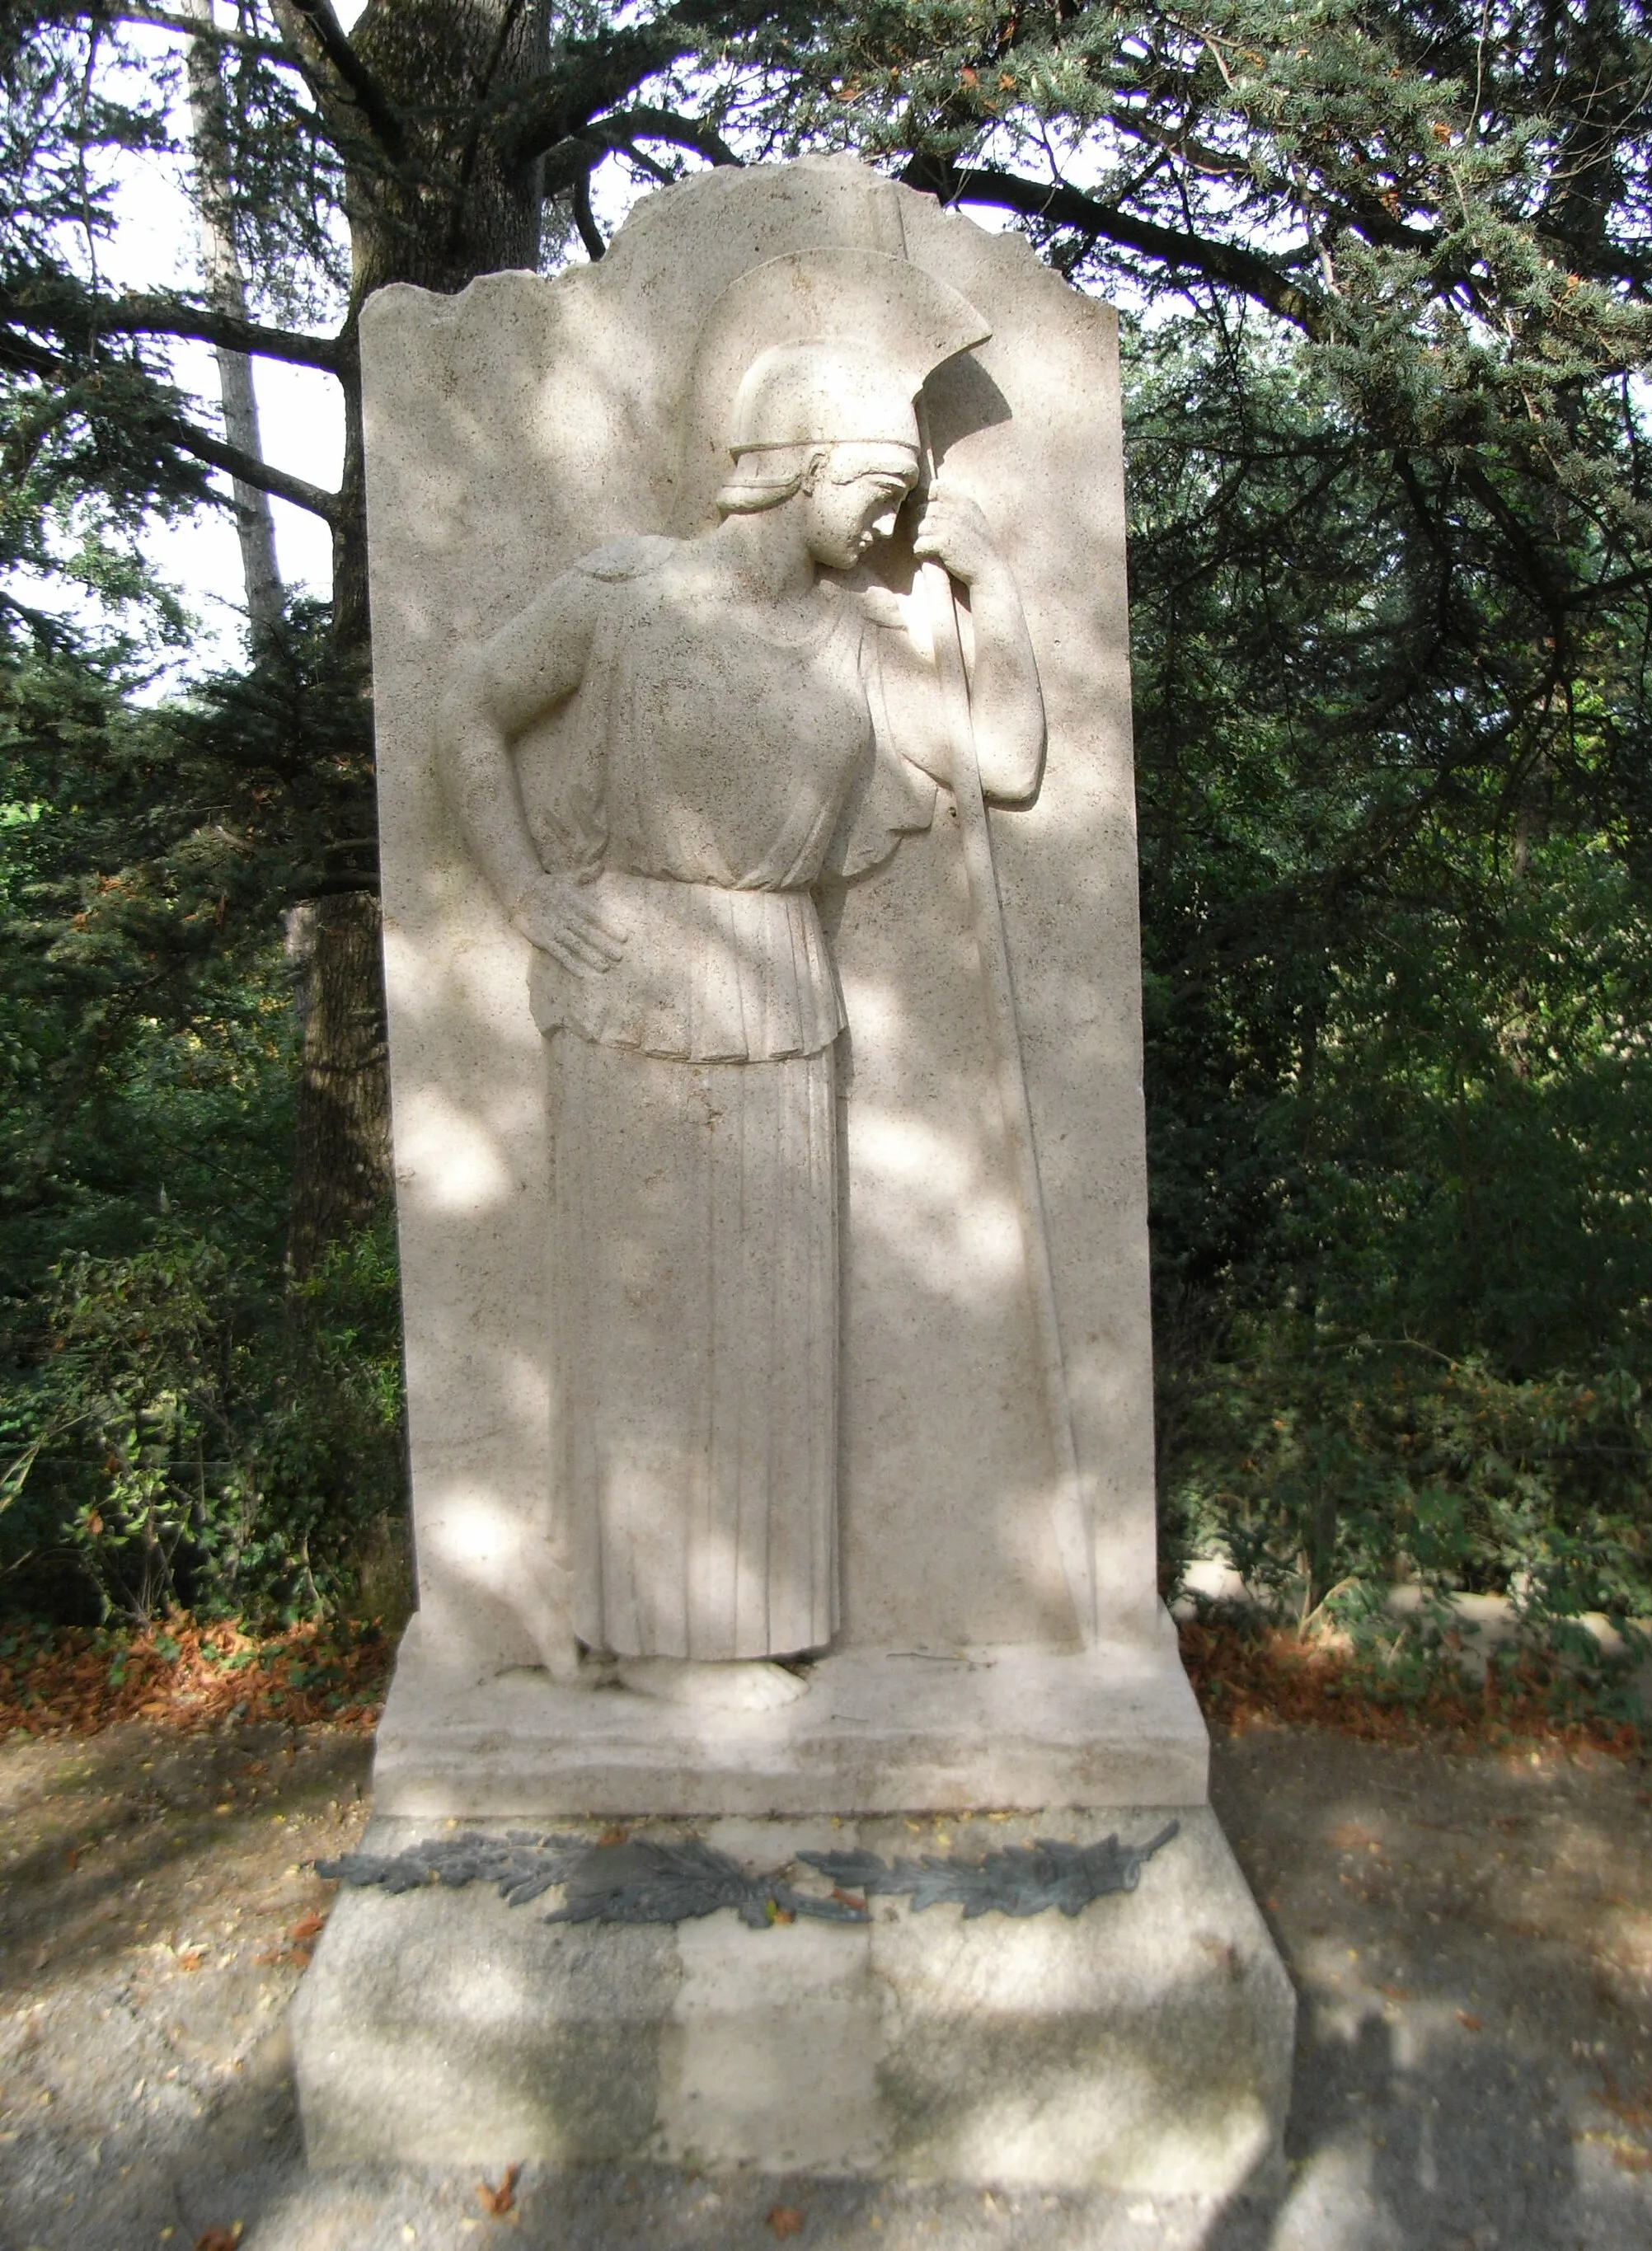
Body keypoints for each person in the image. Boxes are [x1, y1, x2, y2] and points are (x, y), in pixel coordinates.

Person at [439, 263, 1044, 1710]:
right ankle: (644, 1634)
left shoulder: (858, 638)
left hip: (785, 984)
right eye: (878, 482)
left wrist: (992, 590)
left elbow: (1009, 764)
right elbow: (468, 706)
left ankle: (751, 1622)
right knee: (649, 1313)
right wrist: (527, 891)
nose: (894, 514)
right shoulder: (626, 600)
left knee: (775, 1323)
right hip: (636, 981)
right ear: (794, 470)